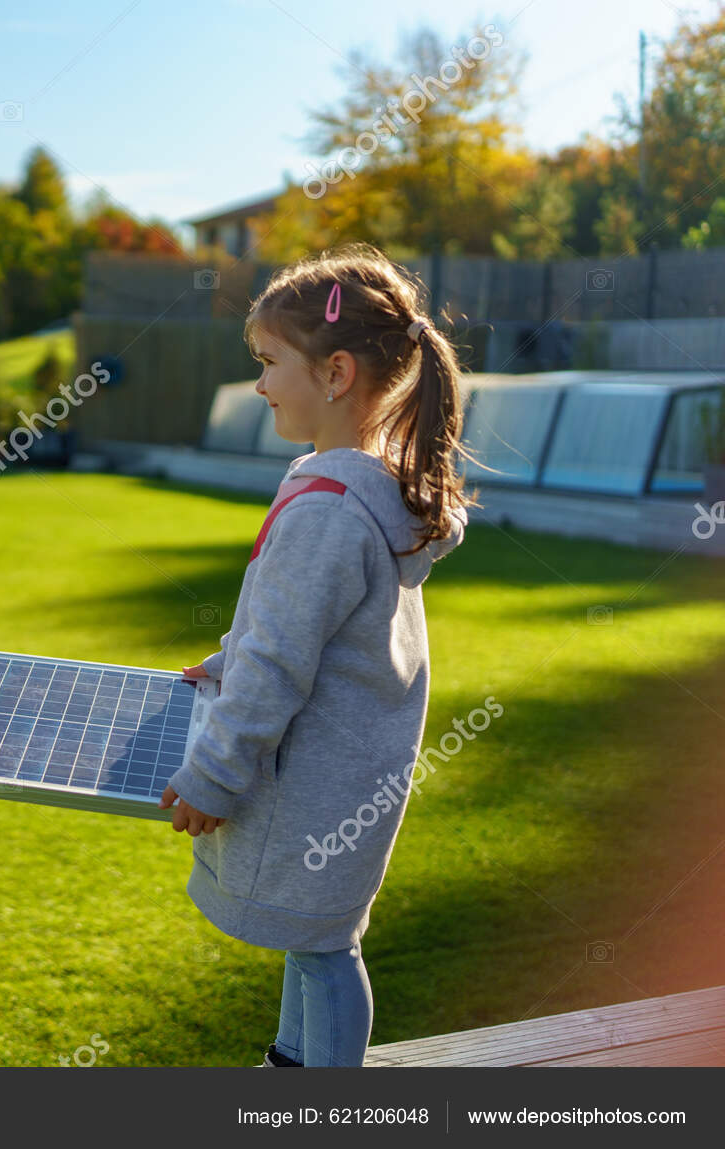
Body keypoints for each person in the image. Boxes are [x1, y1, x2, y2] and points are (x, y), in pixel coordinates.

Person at [157, 244, 472, 1067]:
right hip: (347, 770)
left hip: (319, 778)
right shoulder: (351, 484)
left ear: (334, 374)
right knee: (317, 933)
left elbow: (279, 663)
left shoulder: (329, 506)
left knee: (326, 945)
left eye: (268, 363)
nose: (258, 385)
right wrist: (226, 657)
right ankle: (293, 1064)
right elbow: (276, 624)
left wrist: (215, 775)